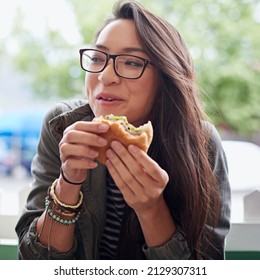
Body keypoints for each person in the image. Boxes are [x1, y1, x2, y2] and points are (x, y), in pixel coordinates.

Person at [16, 0, 231, 260]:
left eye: (130, 62)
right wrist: (68, 184)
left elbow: (206, 267)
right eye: (97, 58)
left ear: (166, 76)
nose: (106, 76)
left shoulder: (201, 143)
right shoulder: (62, 127)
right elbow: (34, 263)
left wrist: (151, 208)